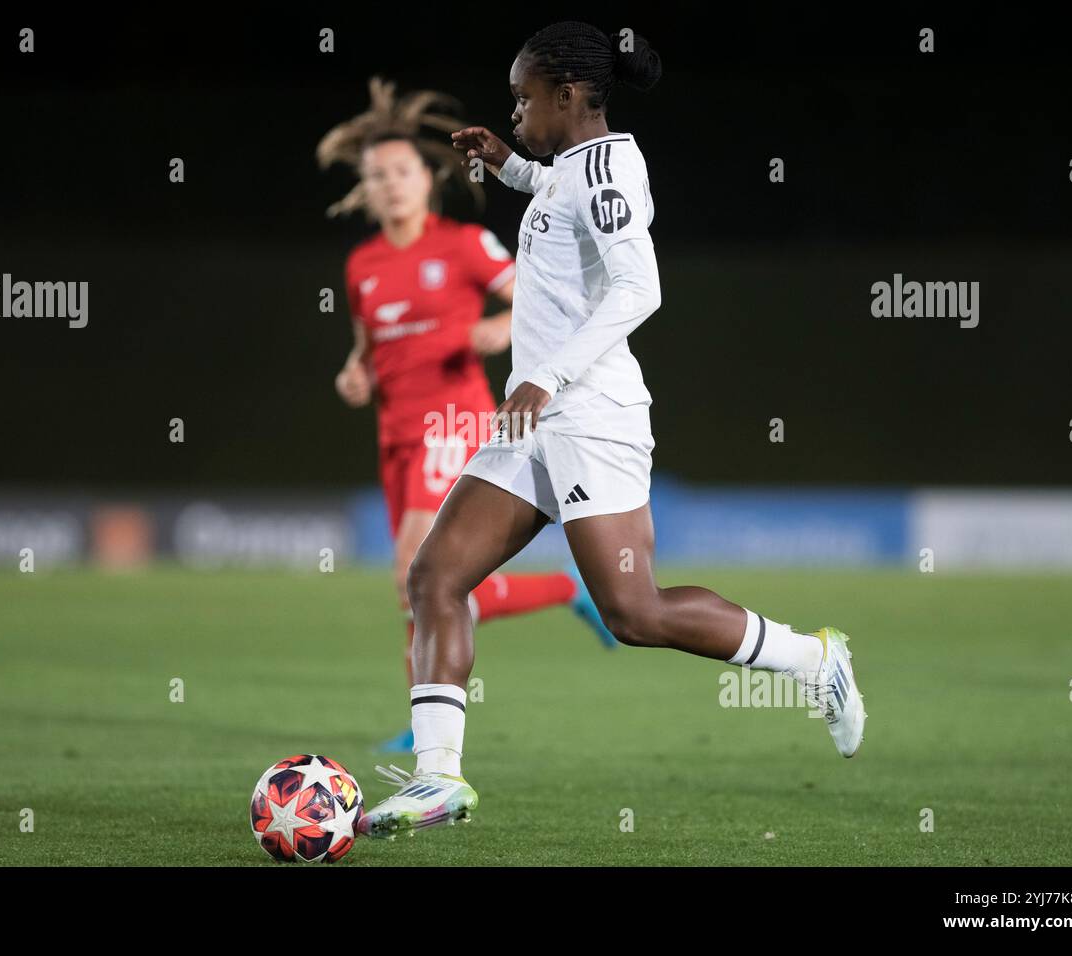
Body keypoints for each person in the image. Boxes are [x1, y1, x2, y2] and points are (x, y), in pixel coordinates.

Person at [360, 23, 866, 838]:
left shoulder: (607, 166)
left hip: (590, 416)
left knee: (634, 614)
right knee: (434, 578)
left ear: (567, 95)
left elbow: (638, 287)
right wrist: (510, 163)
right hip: (534, 420)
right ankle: (438, 779)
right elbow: (566, 226)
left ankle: (815, 660)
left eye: (523, 99)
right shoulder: (567, 171)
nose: (515, 109)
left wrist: (547, 374)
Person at [318, 79, 617, 752]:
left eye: (401, 172)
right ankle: (560, 593)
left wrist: (502, 328)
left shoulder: (462, 246)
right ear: (366, 189)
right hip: (396, 435)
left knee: (412, 568)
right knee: (422, 583)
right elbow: (367, 349)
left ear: (427, 178)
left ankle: (430, 735)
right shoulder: (362, 264)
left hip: (453, 423)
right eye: (377, 177)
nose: (390, 185)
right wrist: (354, 372)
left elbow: (533, 300)